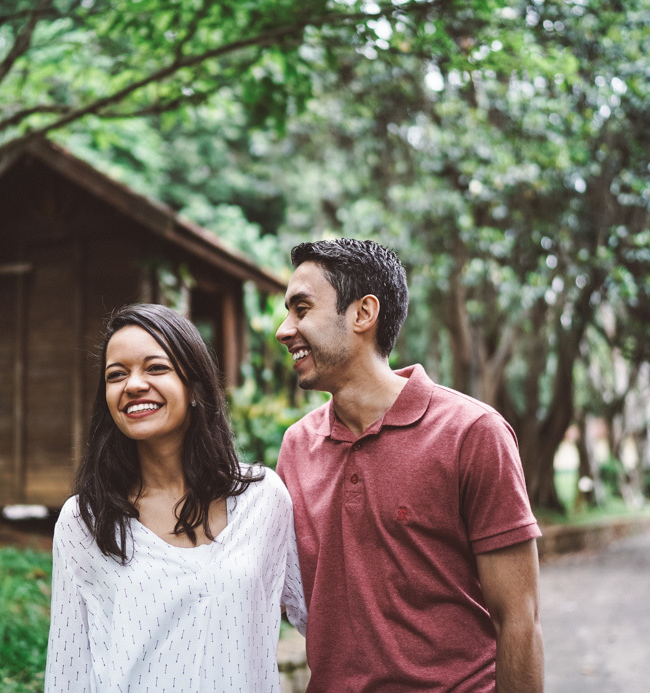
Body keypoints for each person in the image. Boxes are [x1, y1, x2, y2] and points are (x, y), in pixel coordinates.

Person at [275, 239, 544, 692]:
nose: (285, 329)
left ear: (363, 313)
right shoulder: (297, 446)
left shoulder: (472, 432)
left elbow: (519, 619)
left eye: (302, 309)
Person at [45, 303, 306, 693]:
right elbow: (67, 672)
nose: (133, 384)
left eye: (155, 368)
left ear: (195, 386)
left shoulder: (263, 499)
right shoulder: (85, 520)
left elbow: (322, 618)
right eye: (116, 375)